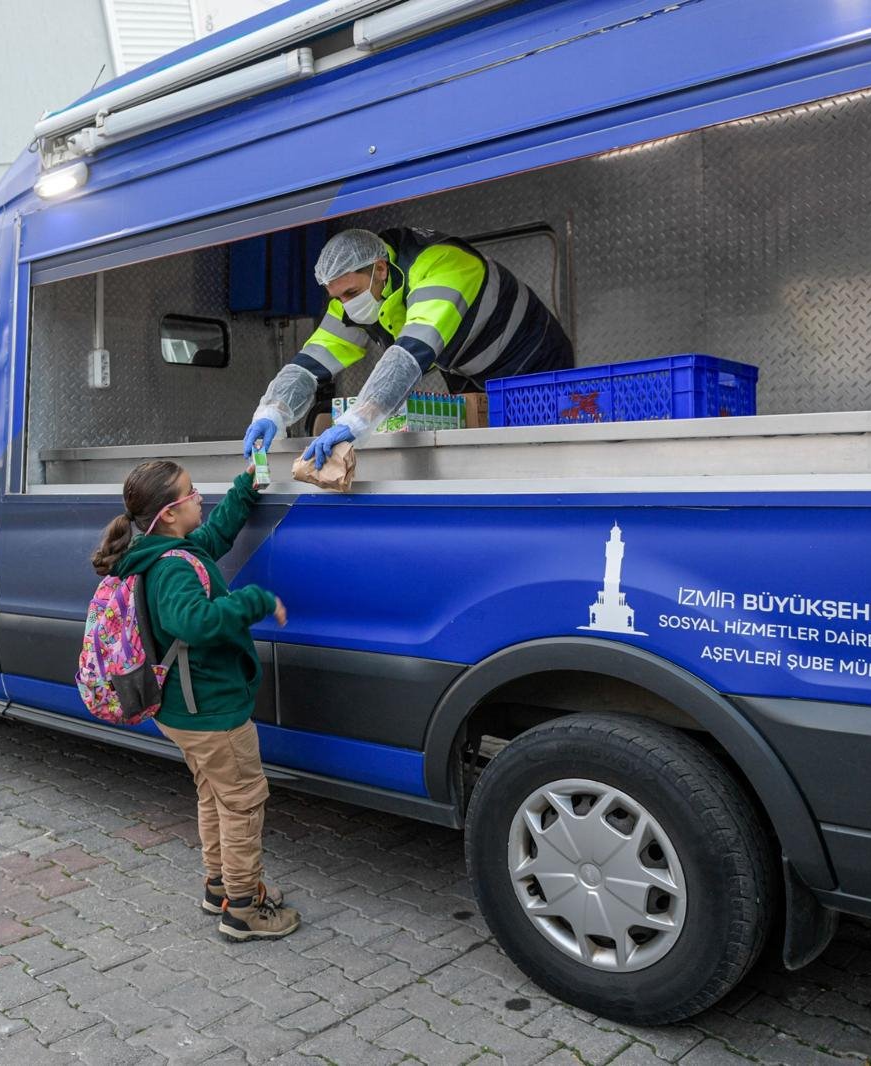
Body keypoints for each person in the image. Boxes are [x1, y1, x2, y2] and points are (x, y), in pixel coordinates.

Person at [91, 460, 300, 940]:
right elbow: (195, 621)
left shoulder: (163, 552)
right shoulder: (171, 571)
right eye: (190, 493)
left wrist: (245, 487)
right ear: (168, 513)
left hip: (183, 710)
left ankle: (220, 884)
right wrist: (256, 601)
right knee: (244, 802)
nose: (199, 496)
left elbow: (215, 537)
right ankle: (245, 909)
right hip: (210, 710)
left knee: (214, 794)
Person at [244, 227, 574, 466]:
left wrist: (357, 421)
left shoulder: (440, 265)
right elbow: (318, 354)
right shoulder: (360, 287)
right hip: (467, 369)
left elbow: (411, 353)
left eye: (350, 294)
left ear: (380, 269)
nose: (345, 306)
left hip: (533, 360)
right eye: (336, 297)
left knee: (537, 454)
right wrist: (273, 411)